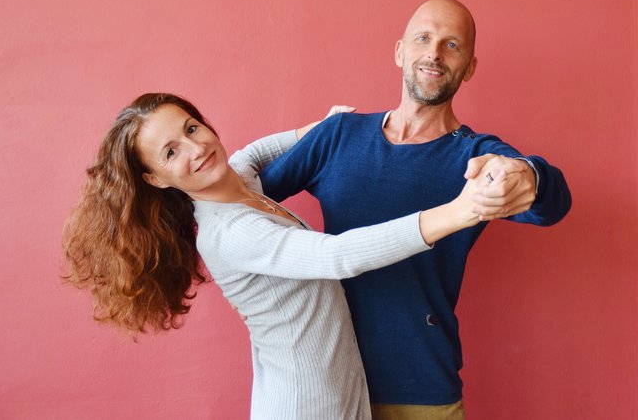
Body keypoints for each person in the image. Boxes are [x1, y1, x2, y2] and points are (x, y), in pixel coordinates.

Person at [63, 93, 510, 420]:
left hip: (339, 387)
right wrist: (458, 211)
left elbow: (254, 153)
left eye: (192, 128)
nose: (196, 148)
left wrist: (322, 127)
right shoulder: (229, 233)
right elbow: (338, 256)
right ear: (156, 179)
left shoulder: (235, 181)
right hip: (307, 404)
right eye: (171, 152)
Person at [257, 0, 572, 419]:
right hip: (324, 384)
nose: (434, 53)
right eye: (423, 38)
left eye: (452, 45)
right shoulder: (339, 134)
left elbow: (552, 205)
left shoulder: (477, 157)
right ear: (400, 51)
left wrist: (530, 176)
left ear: (469, 67)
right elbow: (246, 196)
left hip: (419, 390)